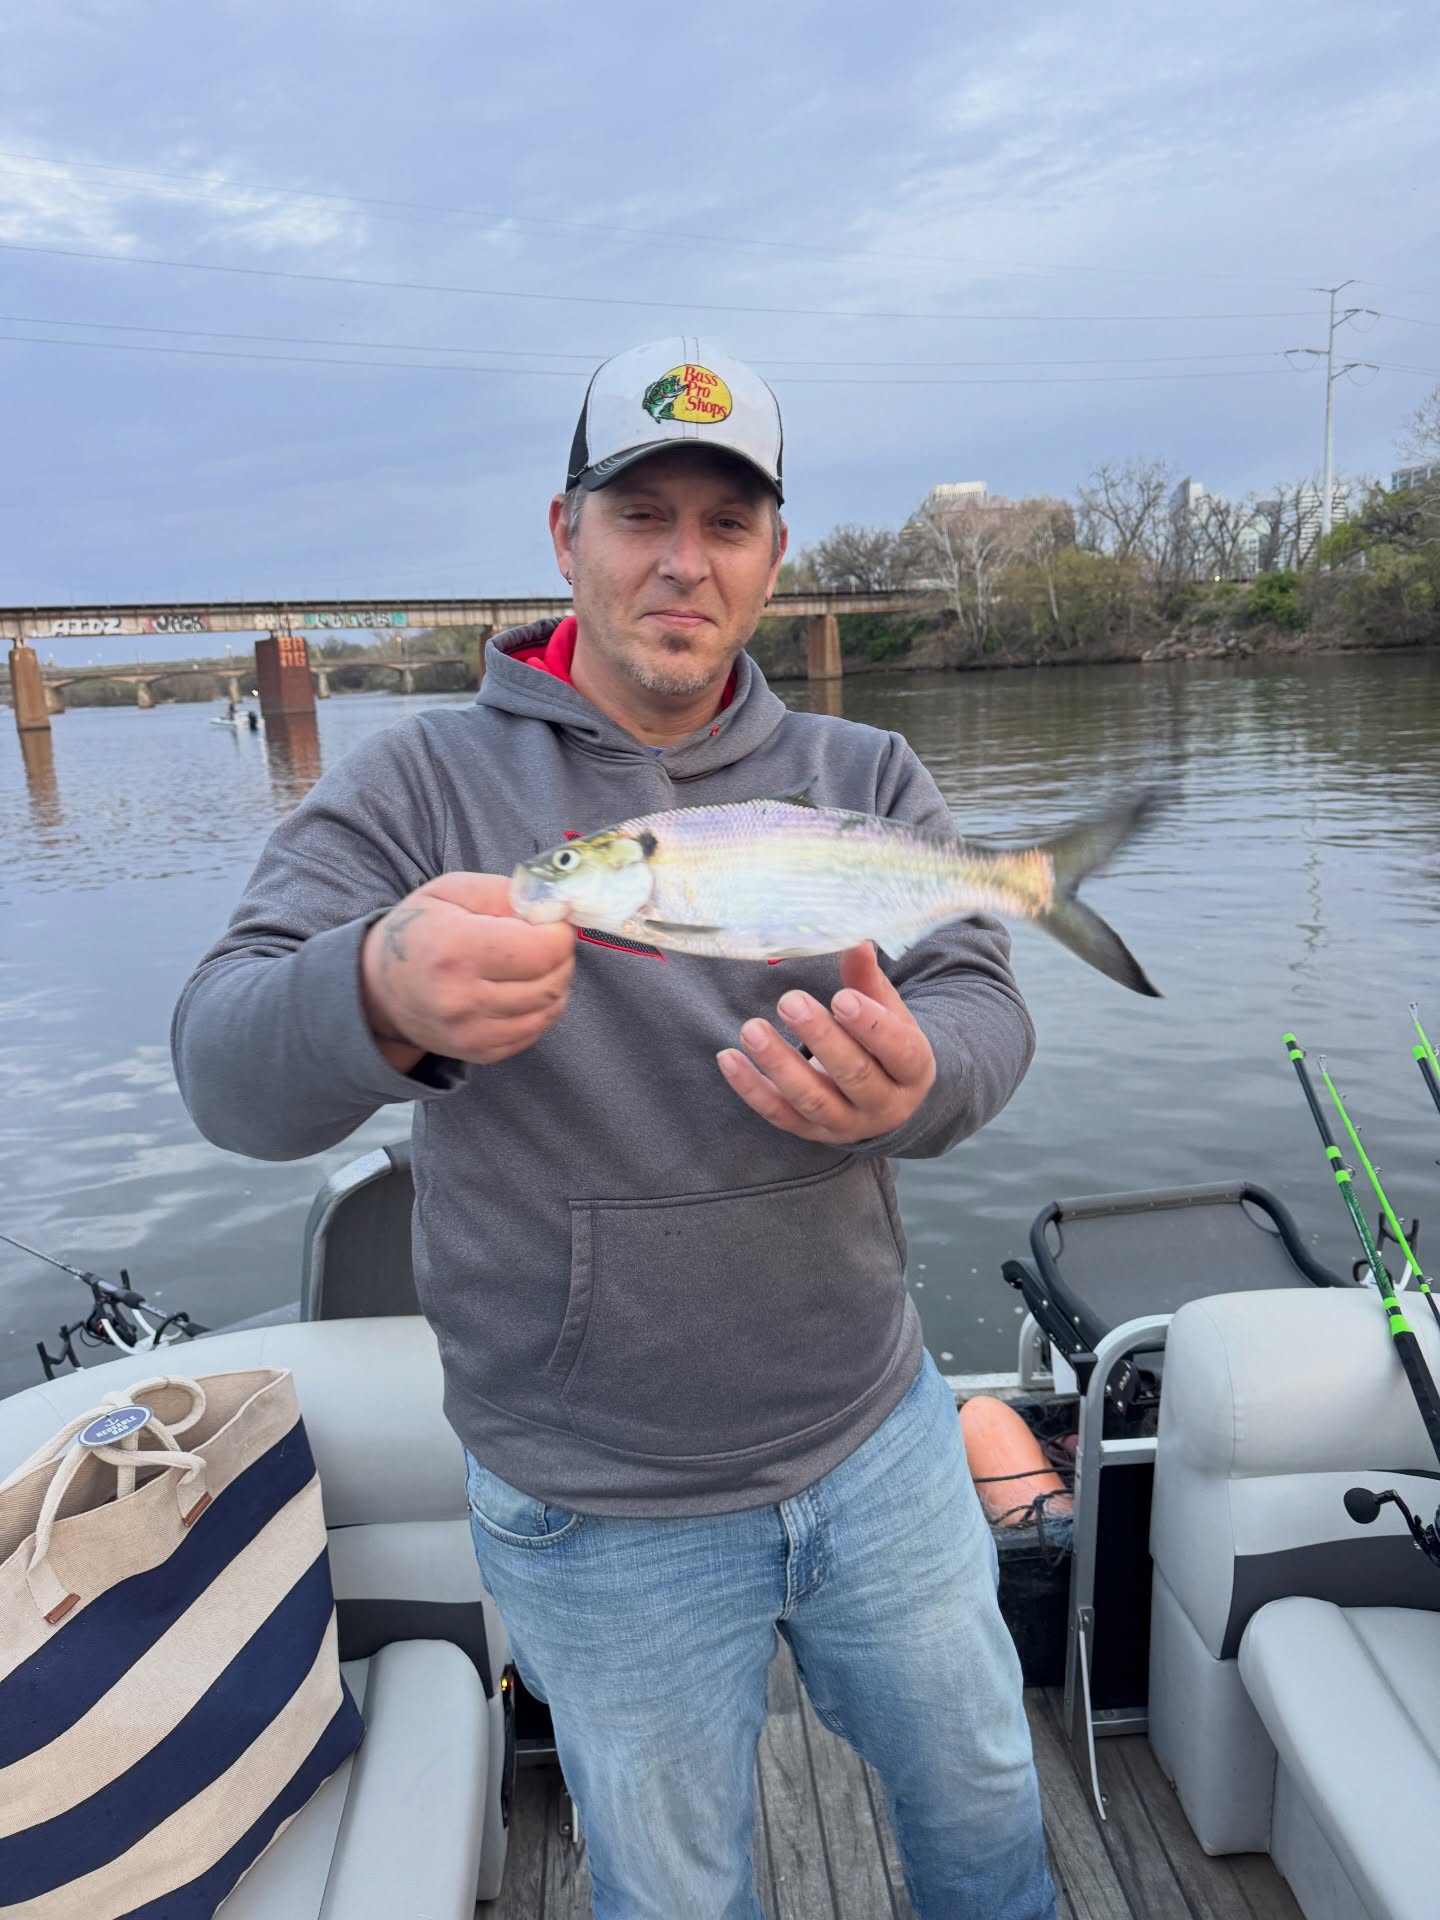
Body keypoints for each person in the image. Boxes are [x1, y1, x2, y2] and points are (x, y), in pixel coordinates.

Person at [171, 338, 1055, 1920]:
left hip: (881, 1439)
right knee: (672, 1883)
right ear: (564, 533)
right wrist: (377, 991)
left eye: (727, 523)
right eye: (640, 512)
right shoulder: (418, 789)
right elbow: (224, 1069)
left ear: (775, 557)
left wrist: (920, 1083)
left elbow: (985, 1002)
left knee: (986, 1802)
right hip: (594, 1498)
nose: (681, 560)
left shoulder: (867, 775)